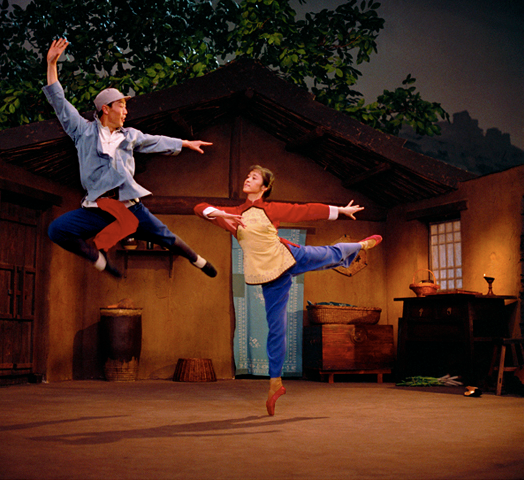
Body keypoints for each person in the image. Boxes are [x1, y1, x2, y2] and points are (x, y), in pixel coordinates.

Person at [194, 165, 382, 416]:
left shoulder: (269, 208)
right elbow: (198, 207)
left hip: (289, 256)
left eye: (254, 177)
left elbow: (305, 211)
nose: (248, 179)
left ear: (265, 187)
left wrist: (340, 210)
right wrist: (219, 213)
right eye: (247, 176)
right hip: (271, 276)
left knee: (327, 254)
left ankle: (357, 246)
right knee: (276, 329)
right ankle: (275, 384)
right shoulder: (233, 215)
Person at [43, 38, 217, 278]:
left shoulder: (130, 136)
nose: (126, 111)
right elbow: (59, 102)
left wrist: (185, 143)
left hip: (129, 207)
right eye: (121, 106)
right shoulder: (82, 131)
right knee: (56, 230)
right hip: (97, 209)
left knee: (165, 236)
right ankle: (98, 261)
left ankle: (197, 259)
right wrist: (51, 64)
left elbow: (155, 141)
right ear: (106, 108)